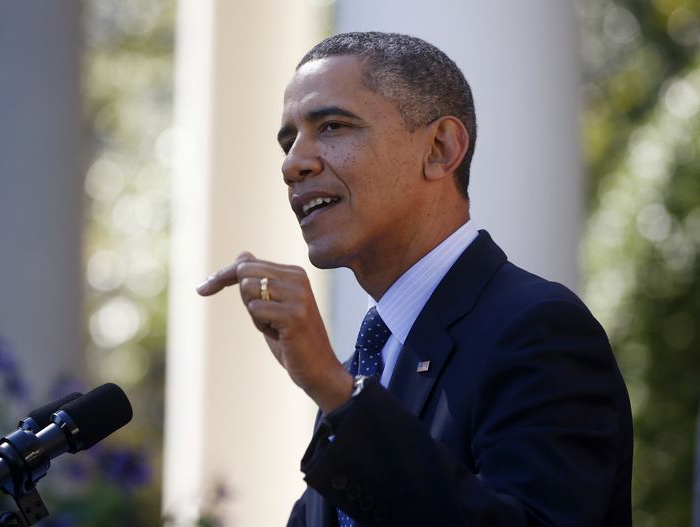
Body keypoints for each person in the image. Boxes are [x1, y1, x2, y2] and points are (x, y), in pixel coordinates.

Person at [197, 32, 632, 526]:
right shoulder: (363, 368)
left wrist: (339, 395)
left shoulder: (538, 330)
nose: (293, 163)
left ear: (440, 149)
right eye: (288, 140)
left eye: (333, 126)